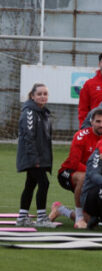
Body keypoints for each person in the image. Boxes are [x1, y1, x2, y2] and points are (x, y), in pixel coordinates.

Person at [51, 108, 102, 228]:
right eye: (98, 121)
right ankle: (79, 217)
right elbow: (74, 163)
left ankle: (61, 210)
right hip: (69, 173)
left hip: (95, 176)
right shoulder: (81, 136)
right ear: (91, 122)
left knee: (91, 221)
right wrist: (95, 175)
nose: (101, 124)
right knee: (83, 178)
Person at [15, 83, 53, 227]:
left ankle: (22, 217)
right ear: (32, 96)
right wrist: (34, 159)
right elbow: (28, 137)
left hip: (40, 157)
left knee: (30, 184)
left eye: (45, 94)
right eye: (39, 94)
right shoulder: (30, 112)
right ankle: (42, 218)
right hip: (33, 157)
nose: (43, 97)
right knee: (44, 183)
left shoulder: (44, 112)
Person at [78, 51, 102, 123]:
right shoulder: (89, 84)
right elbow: (83, 109)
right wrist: (83, 126)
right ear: (99, 64)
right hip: (95, 125)